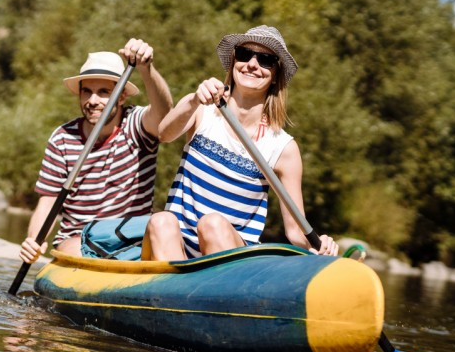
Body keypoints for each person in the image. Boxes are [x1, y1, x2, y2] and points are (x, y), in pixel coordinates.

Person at [143, 25, 339, 260]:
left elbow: (296, 230)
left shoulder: (283, 148)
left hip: (229, 255)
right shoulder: (201, 108)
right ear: (234, 61)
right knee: (161, 220)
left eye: (265, 59)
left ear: (276, 74)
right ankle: (170, 292)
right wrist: (195, 100)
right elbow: (164, 134)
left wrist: (321, 244)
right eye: (245, 55)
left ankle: (210, 293)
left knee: (212, 224)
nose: (253, 64)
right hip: (176, 251)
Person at [18, 39, 173, 265]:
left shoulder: (137, 125)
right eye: (87, 92)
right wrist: (34, 240)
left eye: (103, 92)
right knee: (73, 247)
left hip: (132, 239)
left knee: (165, 222)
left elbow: (164, 113)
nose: (92, 100)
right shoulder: (62, 138)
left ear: (121, 96)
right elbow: (49, 201)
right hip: (79, 240)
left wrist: (146, 70)